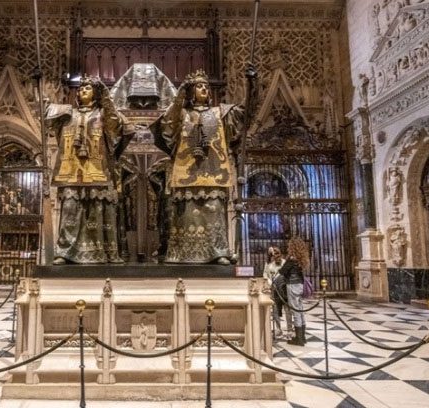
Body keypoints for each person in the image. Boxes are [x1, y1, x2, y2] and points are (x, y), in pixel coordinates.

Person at [150, 69, 244, 264]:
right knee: (187, 217)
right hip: (187, 173)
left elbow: (245, 113)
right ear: (191, 91)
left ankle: (218, 252)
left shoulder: (220, 113)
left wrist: (252, 85)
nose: (204, 90)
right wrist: (180, 95)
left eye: (206, 87)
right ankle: (182, 253)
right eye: (199, 86)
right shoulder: (182, 114)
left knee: (214, 214)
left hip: (213, 173)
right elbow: (166, 124)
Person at [46, 75, 134, 264]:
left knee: (97, 210)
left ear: (96, 94)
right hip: (71, 171)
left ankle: (100, 250)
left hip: (97, 169)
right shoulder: (68, 113)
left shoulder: (103, 113)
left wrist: (106, 95)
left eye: (88, 88)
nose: (83, 91)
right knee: (70, 208)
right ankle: (65, 251)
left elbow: (117, 125)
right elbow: (46, 115)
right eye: (81, 89)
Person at [277, 237, 311, 346]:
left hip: (292, 285)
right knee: (300, 310)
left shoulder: (292, 259)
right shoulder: (300, 259)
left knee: (295, 311)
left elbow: (282, 271)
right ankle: (303, 337)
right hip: (300, 285)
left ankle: (298, 339)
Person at [263, 246, 293, 339]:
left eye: (276, 253)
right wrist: (268, 280)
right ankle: (278, 329)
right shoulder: (269, 264)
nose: (275, 256)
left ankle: (289, 330)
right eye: (273, 254)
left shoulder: (284, 262)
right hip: (275, 290)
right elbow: (265, 274)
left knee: (287, 310)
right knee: (275, 310)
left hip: (284, 290)